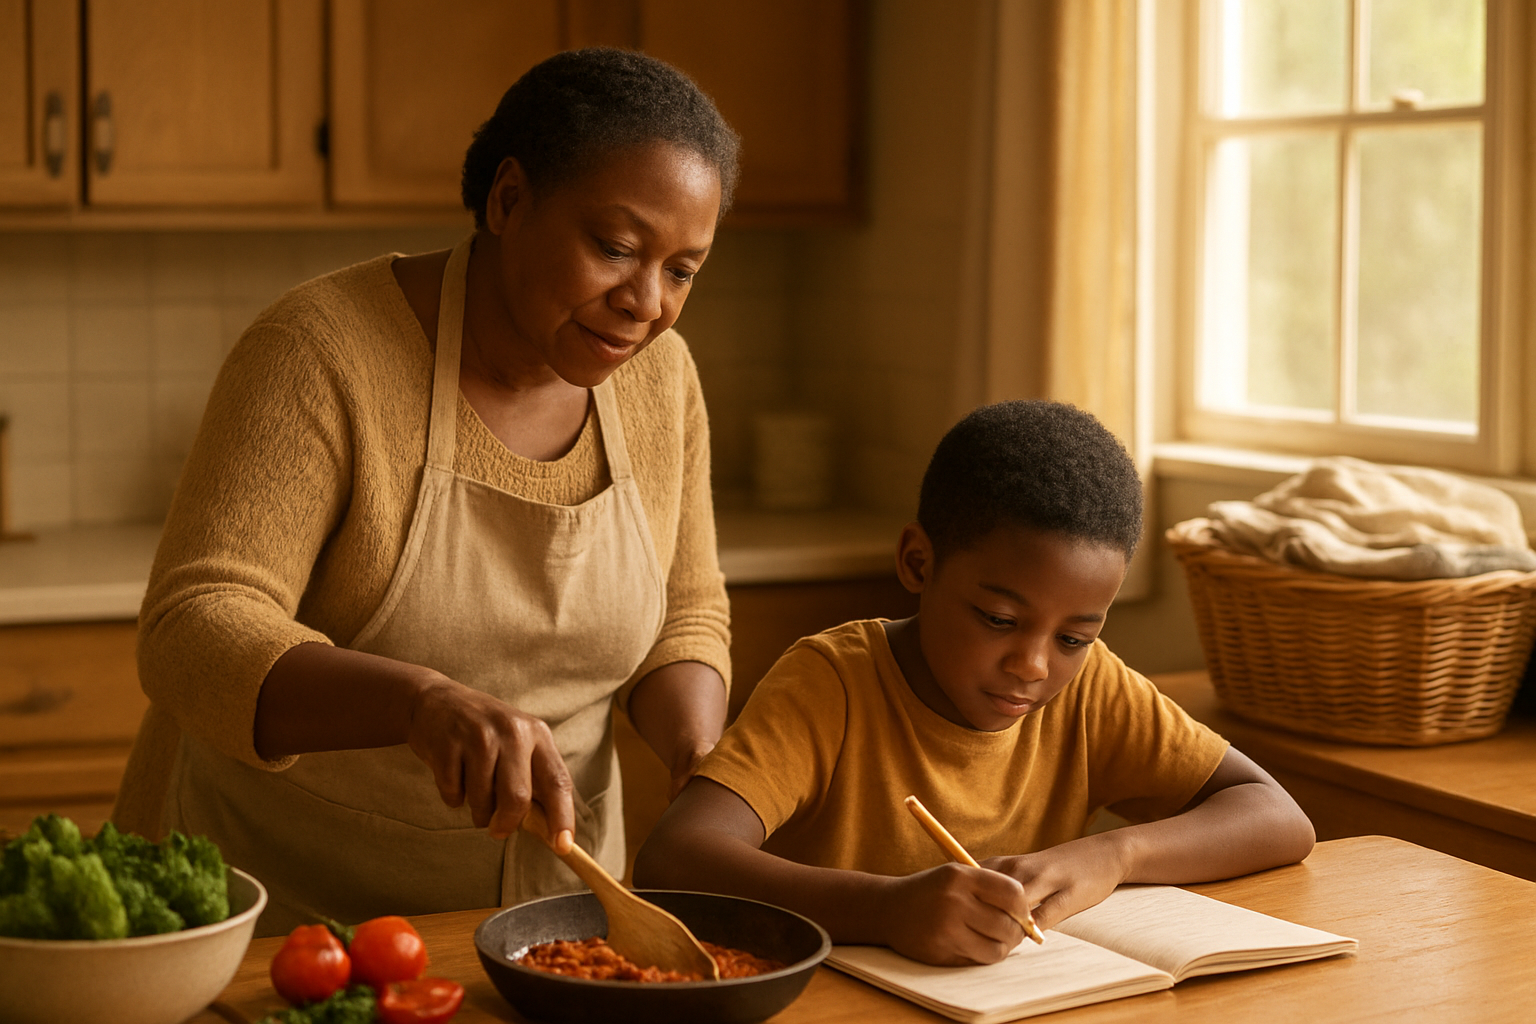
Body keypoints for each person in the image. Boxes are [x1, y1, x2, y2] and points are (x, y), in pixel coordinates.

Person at [113, 48, 741, 935]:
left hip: (546, 923)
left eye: (682, 270)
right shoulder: (321, 350)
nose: (647, 302)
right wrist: (419, 702)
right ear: (510, 199)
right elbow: (194, 626)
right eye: (616, 248)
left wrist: (700, 756)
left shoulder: (660, 378)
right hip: (280, 918)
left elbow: (685, 612)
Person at [634, 400, 1316, 966]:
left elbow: (1278, 817)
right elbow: (676, 858)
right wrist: (887, 908)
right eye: (998, 619)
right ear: (918, 562)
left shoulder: (1090, 692)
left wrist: (1115, 853)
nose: (1035, 666)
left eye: (1075, 638)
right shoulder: (832, 684)